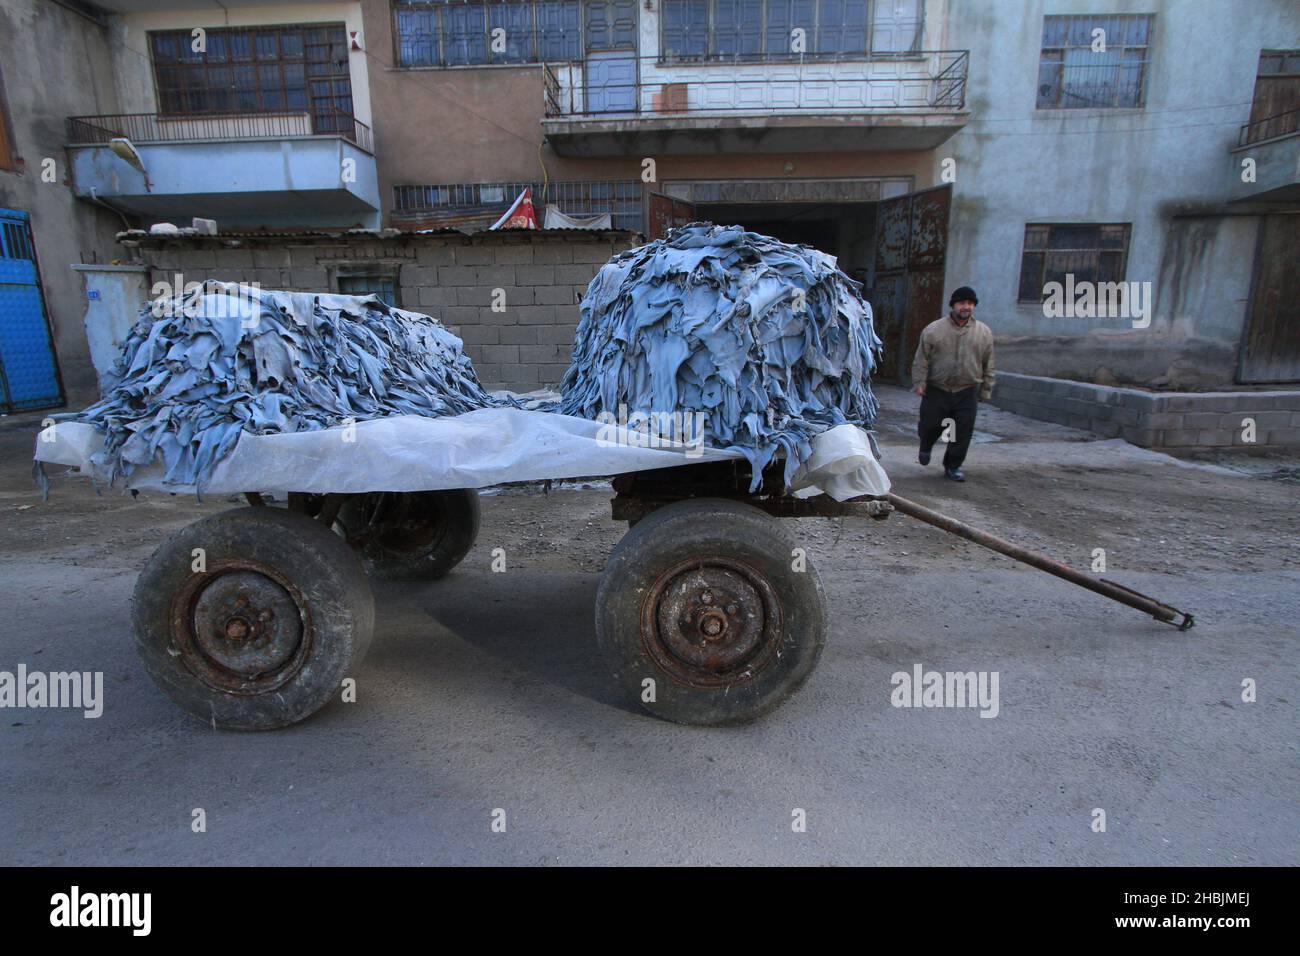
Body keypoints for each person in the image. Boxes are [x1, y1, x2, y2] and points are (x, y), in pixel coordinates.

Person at [910, 286, 996, 482]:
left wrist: (986, 389)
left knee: (960, 431)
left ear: (974, 306)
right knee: (930, 424)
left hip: (967, 389)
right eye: (961, 303)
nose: (966, 307)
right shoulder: (933, 330)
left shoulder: (983, 333)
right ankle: (926, 444)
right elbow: (921, 359)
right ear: (953, 305)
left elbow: (989, 363)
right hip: (937, 388)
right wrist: (919, 382)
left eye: (970, 303)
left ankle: (952, 466)